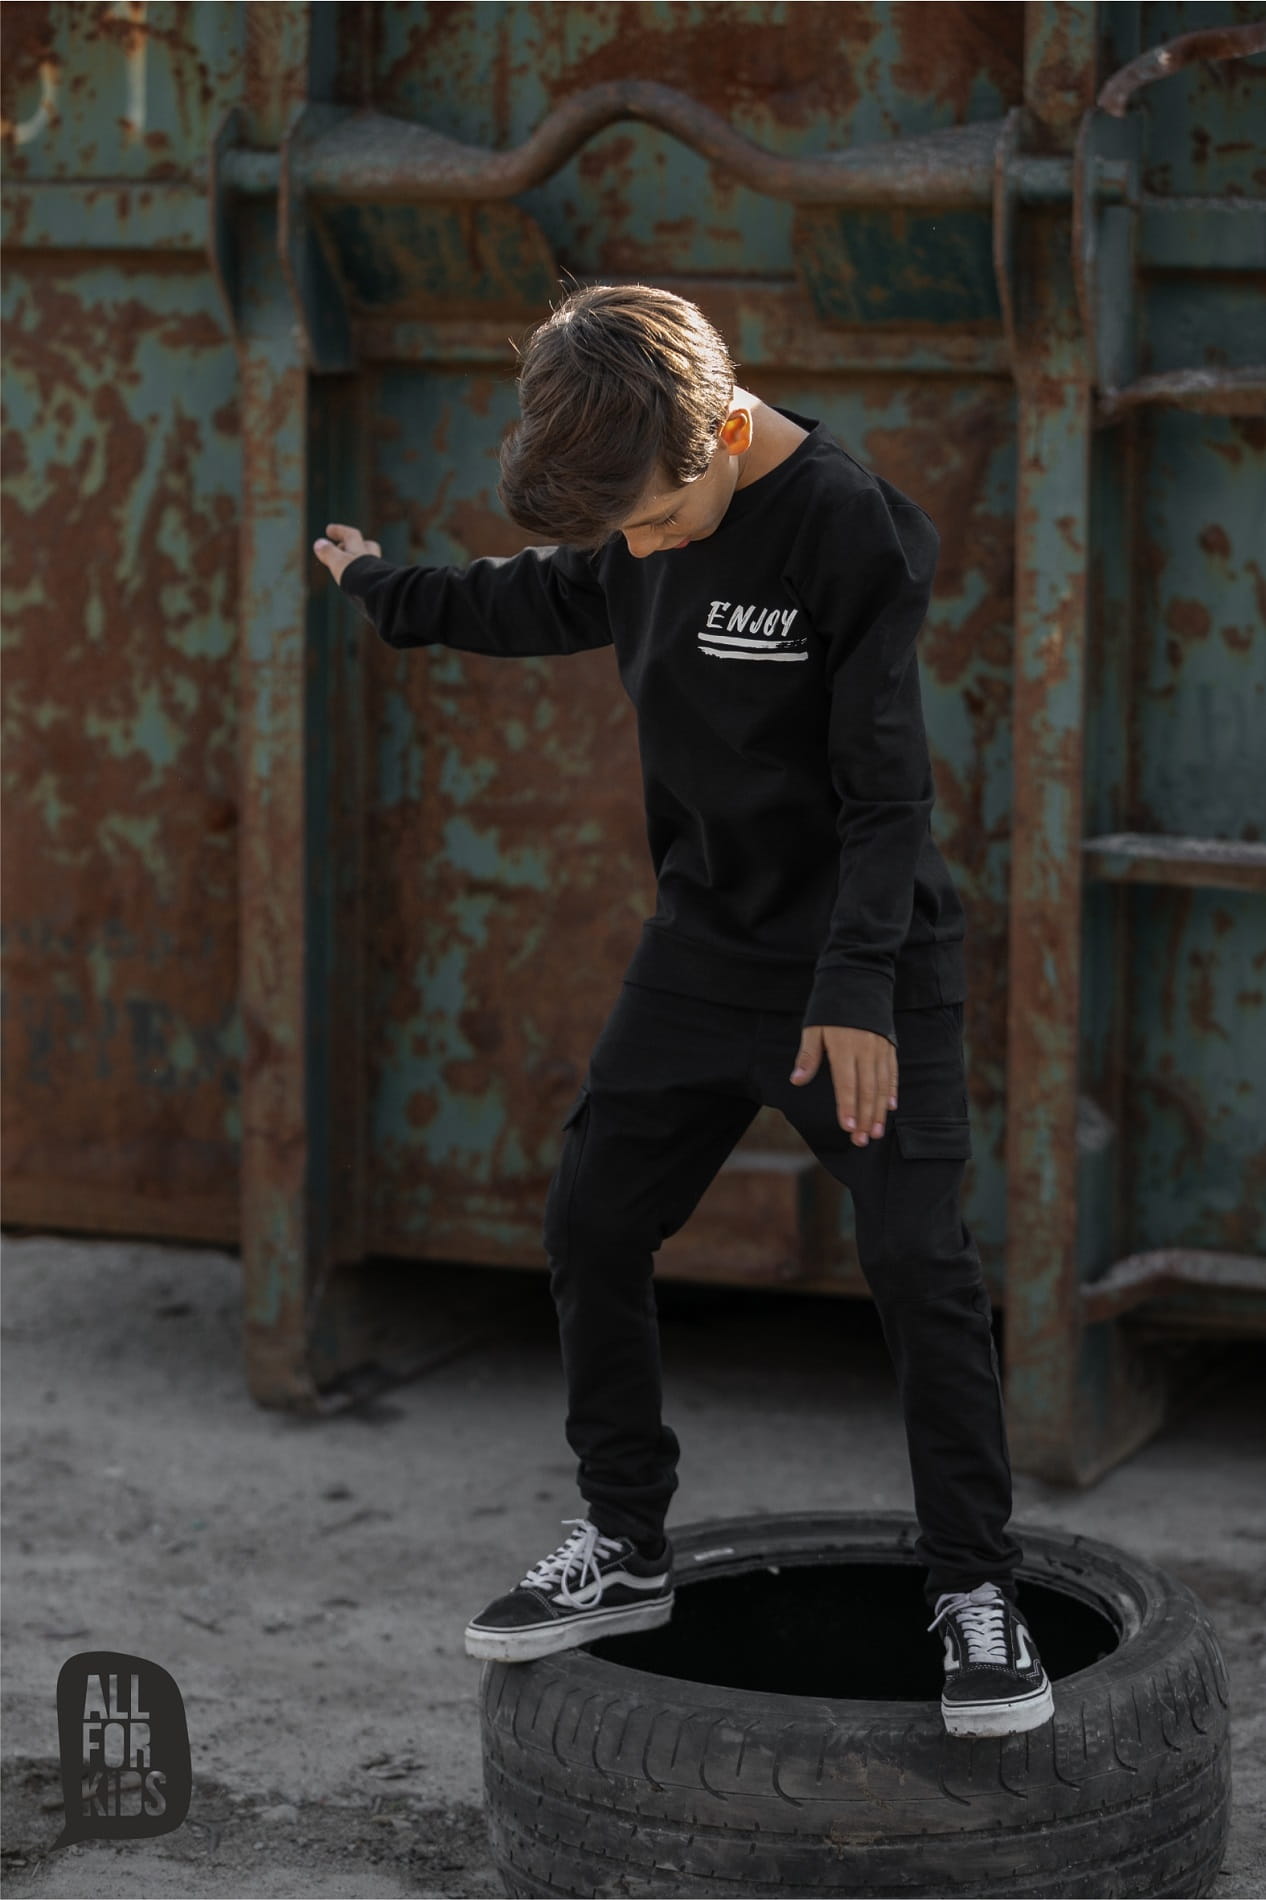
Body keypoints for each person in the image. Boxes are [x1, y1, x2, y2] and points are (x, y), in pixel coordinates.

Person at [312, 282, 1054, 1739]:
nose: (642, 551)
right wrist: (388, 590)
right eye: (627, 535)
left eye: (656, 520)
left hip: (862, 967)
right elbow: (544, 593)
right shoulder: (640, 508)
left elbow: (886, 793)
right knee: (591, 1221)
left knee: (918, 1265)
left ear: (720, 431)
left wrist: (857, 988)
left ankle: (975, 1588)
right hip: (705, 951)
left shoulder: (850, 526)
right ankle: (623, 1541)